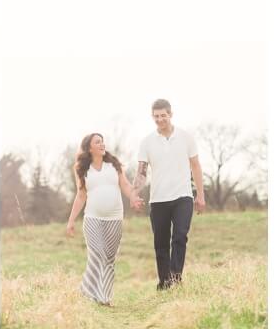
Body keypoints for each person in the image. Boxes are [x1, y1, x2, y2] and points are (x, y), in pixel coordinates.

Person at [133, 99, 206, 290]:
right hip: (158, 199)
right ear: (152, 117)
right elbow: (141, 171)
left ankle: (175, 278)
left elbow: (196, 166)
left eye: (163, 115)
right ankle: (164, 283)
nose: (160, 119)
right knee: (161, 243)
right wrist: (135, 193)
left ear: (170, 114)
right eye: (156, 116)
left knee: (180, 237)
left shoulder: (186, 137)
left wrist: (200, 195)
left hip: (183, 196)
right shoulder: (147, 142)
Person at [67, 134, 142, 306]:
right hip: (93, 218)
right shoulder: (81, 168)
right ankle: (92, 294)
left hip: (114, 219)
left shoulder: (113, 165)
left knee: (109, 258)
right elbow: (80, 195)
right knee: (97, 254)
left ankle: (102, 296)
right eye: (97, 142)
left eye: (102, 141)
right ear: (89, 147)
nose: (102, 144)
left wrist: (134, 198)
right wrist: (71, 221)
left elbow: (125, 185)